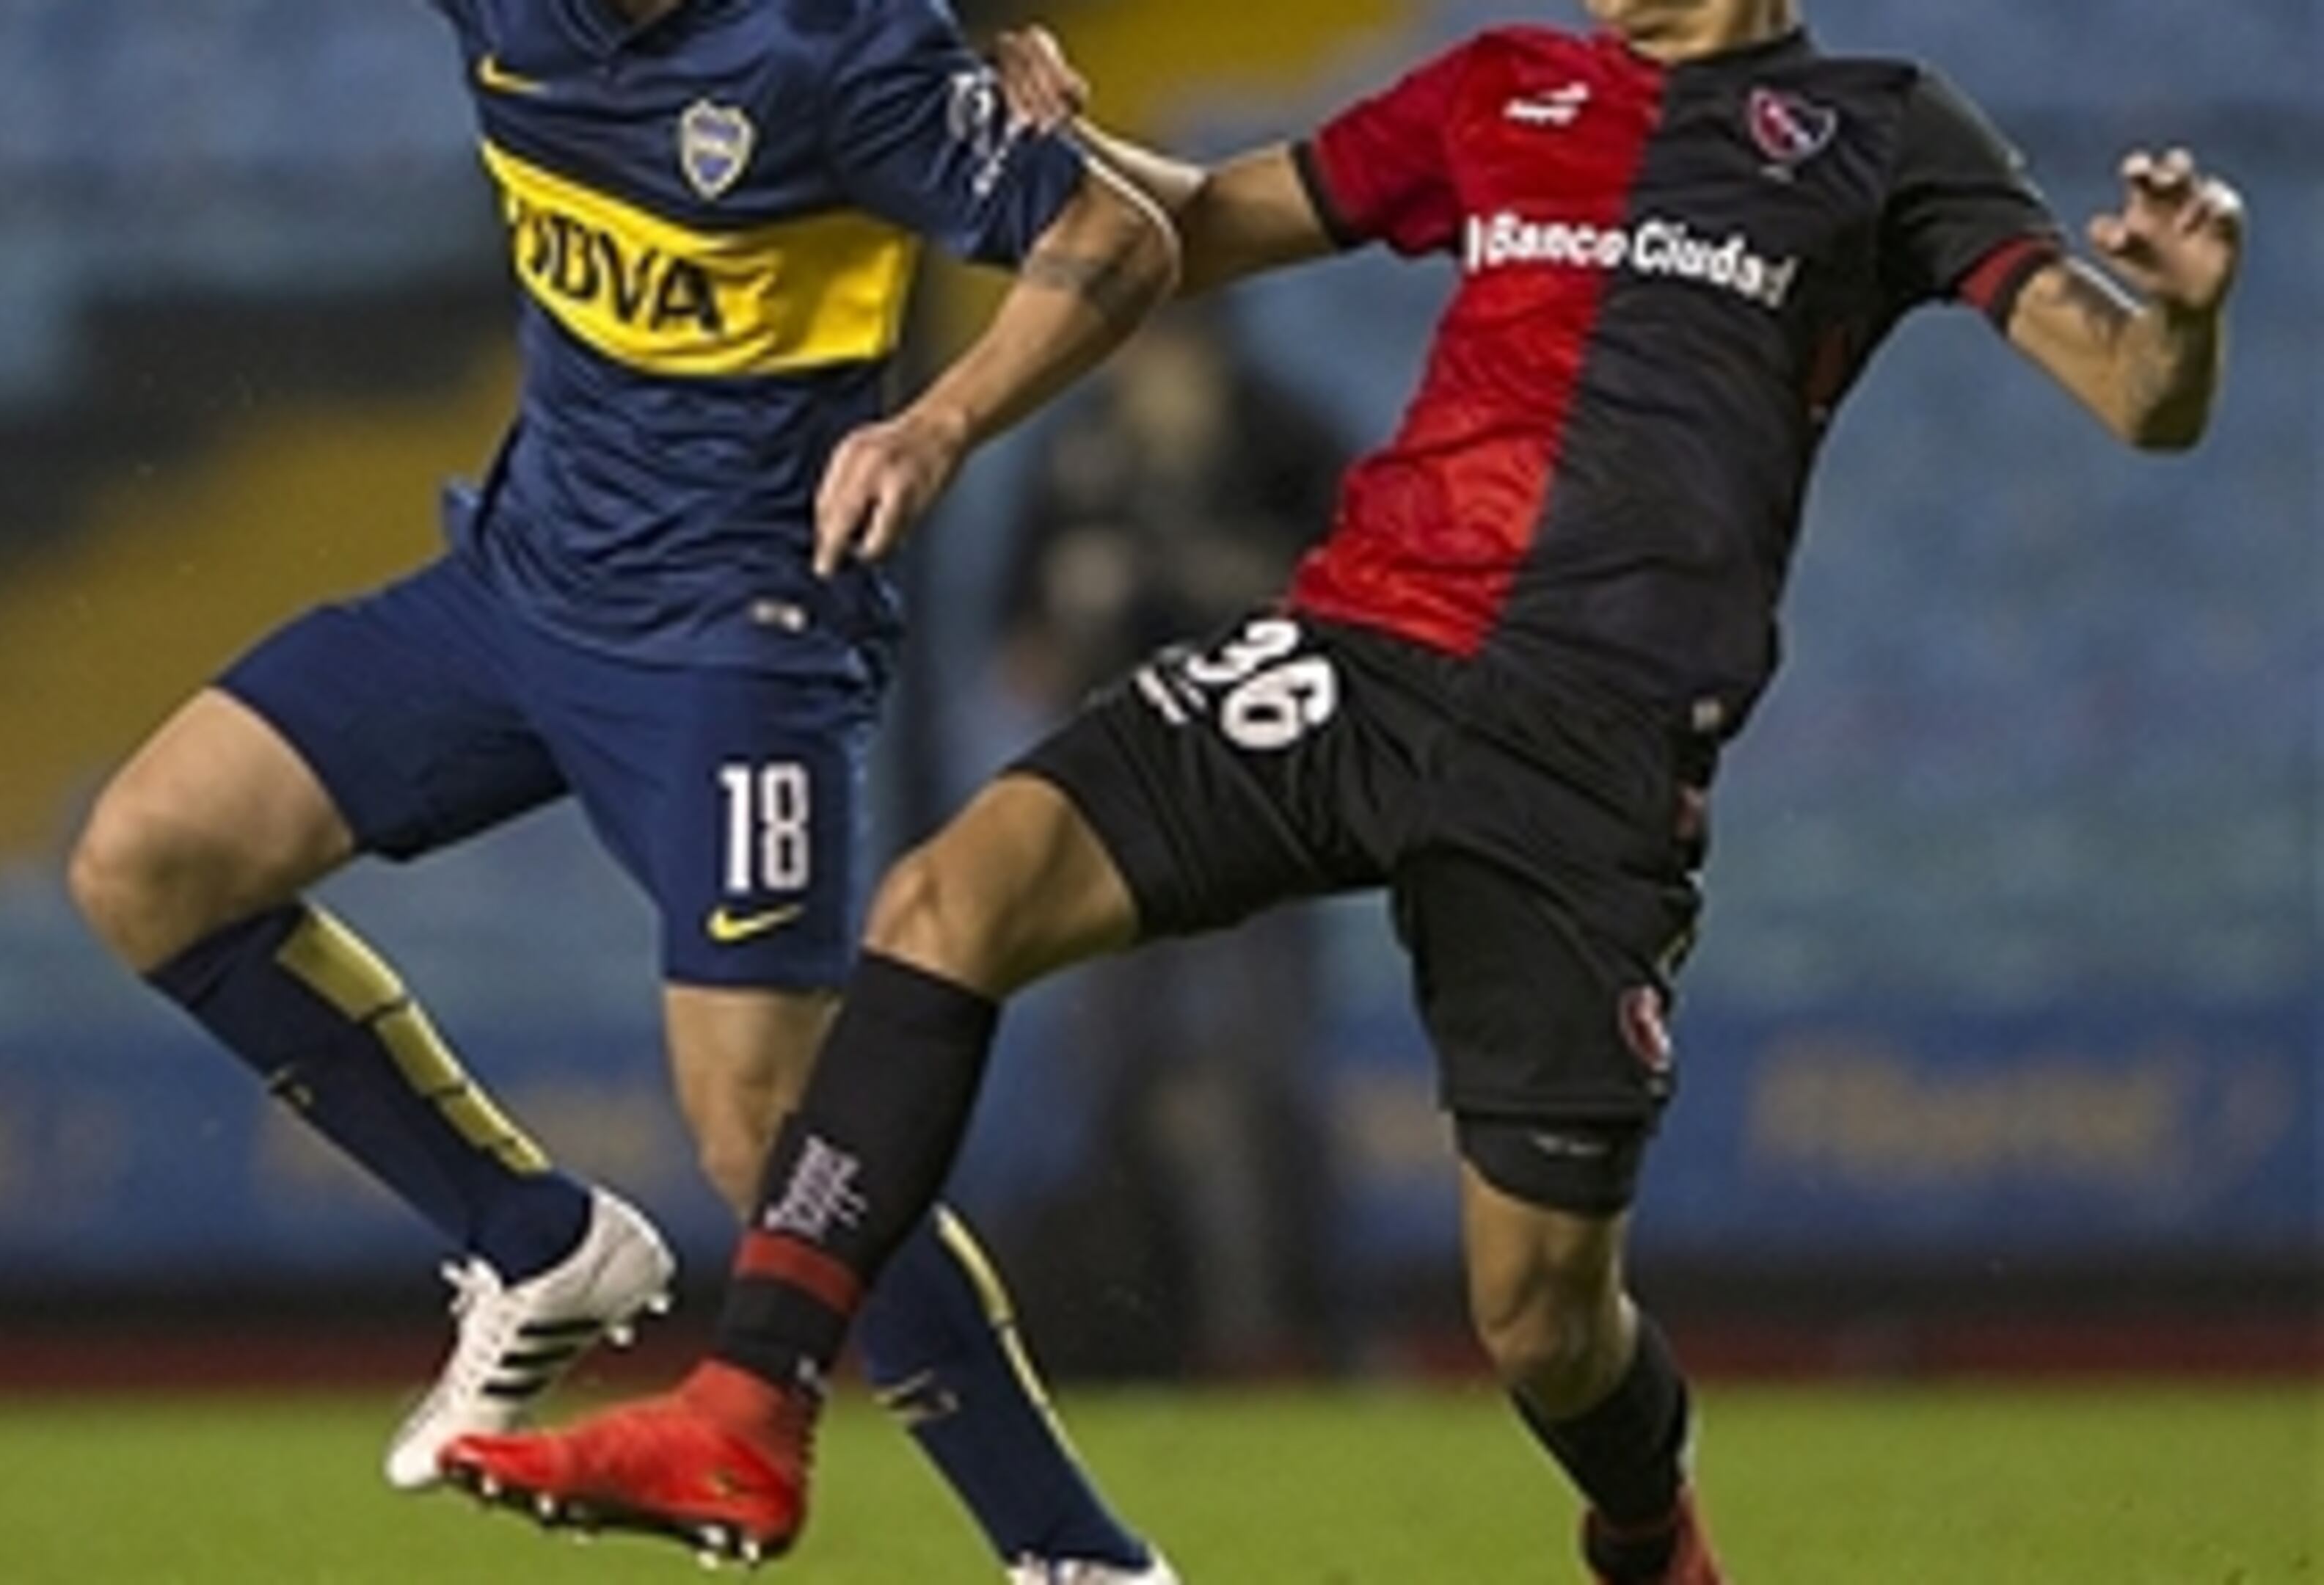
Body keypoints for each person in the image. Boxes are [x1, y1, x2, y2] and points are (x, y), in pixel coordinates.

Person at [438, 1, 2247, 1580]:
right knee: (948, 896)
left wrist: (2175, 321)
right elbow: (1202, 224)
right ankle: (752, 1405)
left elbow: (2134, 397)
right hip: (1360, 658)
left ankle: (1647, 1535)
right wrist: (1004, 125)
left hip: (1588, 754)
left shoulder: (1882, 131)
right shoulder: (1500, 88)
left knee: (1538, 1322)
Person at [64, 0, 1185, 1578]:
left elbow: (1122, 238)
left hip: (734, 642)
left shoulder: (838, 55)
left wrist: (937, 426)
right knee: (149, 858)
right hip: (514, 593)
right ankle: (534, 1242)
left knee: (777, 1137)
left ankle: (1077, 1555)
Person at [992, 307, 1348, 1377]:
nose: (1157, 365)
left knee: (1260, 1067)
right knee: (1112, 1071)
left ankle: (1283, 1328)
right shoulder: (1081, 443)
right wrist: (1081, 621)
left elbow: (1353, 608)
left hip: (1262, 810)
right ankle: (1131, 1324)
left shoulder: (1279, 432)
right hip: (1118, 803)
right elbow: (1017, 645)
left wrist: (1203, 559)